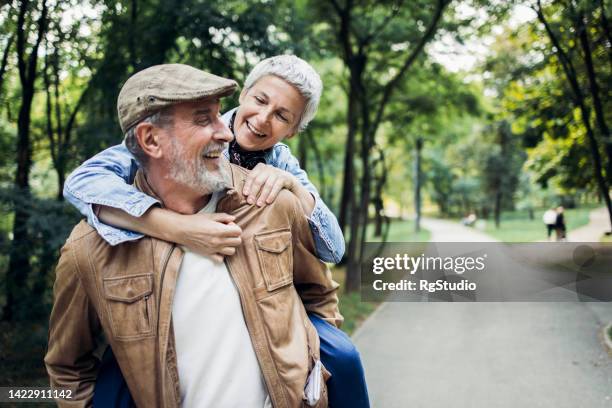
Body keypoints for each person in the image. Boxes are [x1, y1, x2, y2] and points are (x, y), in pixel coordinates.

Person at [63, 56, 369, 407]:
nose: (263, 119)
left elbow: (329, 259)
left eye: (283, 116)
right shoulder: (168, 140)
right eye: (260, 100)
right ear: (246, 94)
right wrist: (175, 227)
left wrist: (296, 191)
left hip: (274, 326)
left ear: (294, 129)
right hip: (155, 349)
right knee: (120, 380)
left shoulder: (279, 178)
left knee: (344, 359)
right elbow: (83, 182)